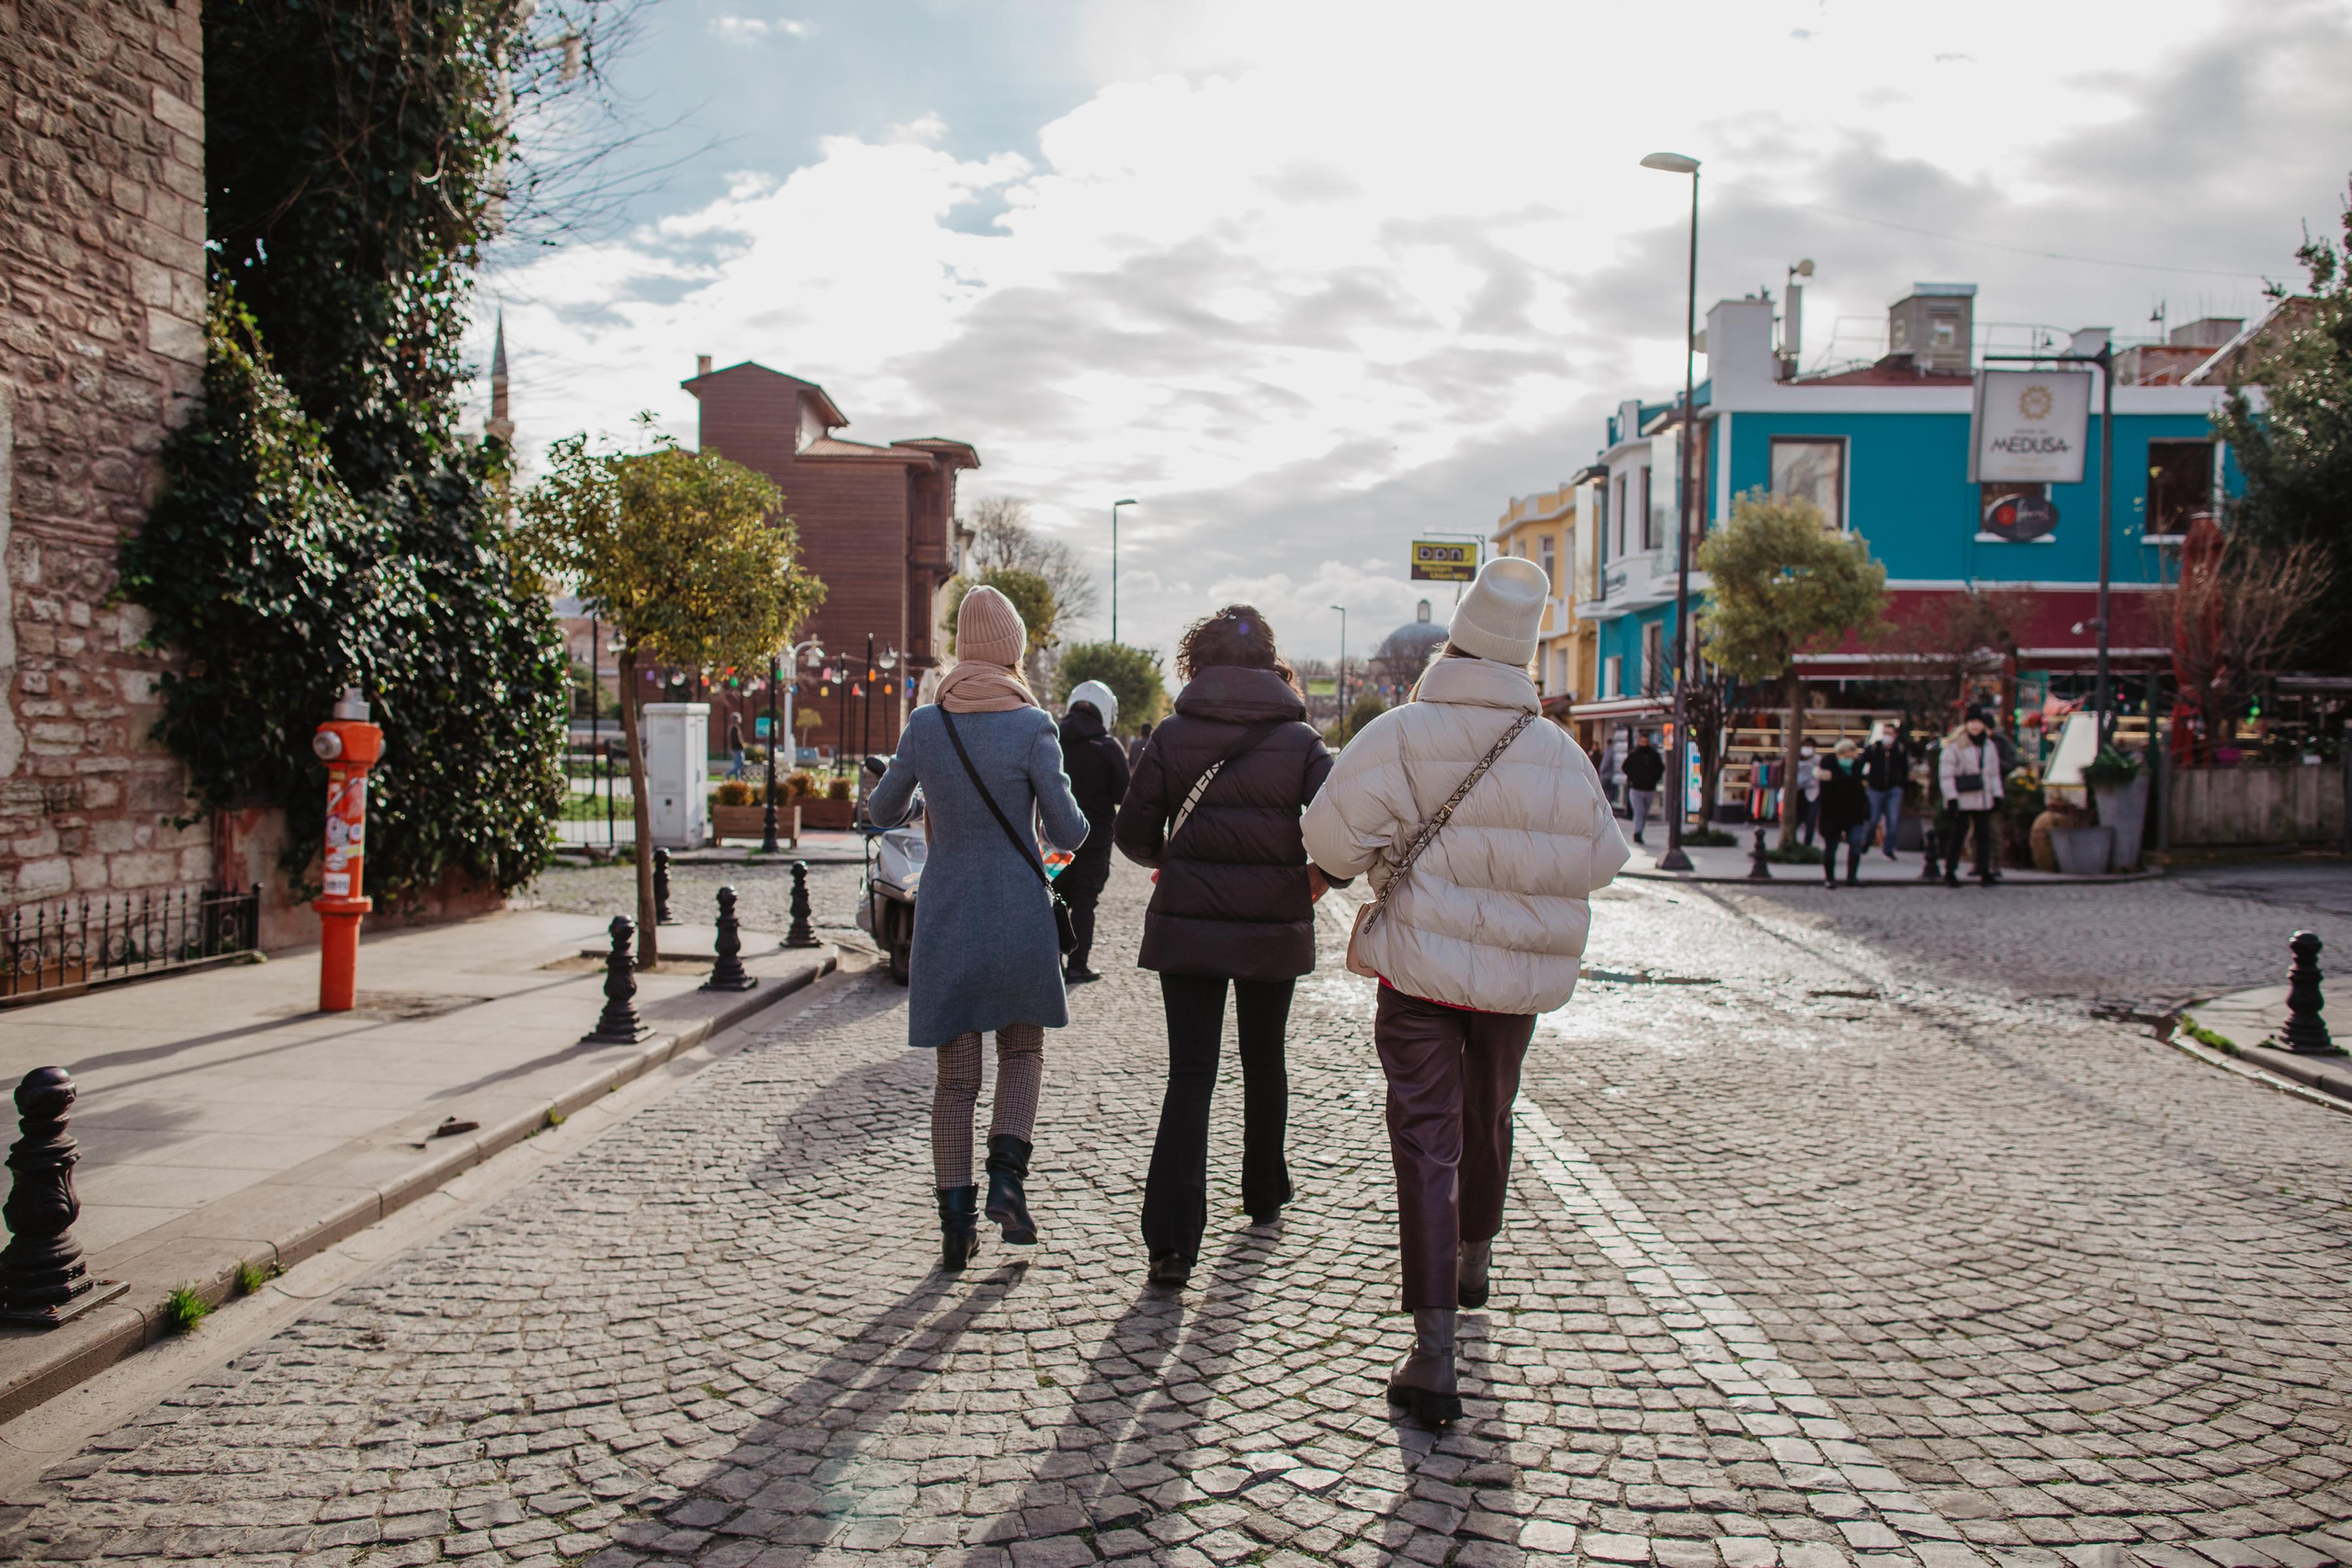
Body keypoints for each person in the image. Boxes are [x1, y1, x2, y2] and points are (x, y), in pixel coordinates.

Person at [1303, 558, 1629, 1428]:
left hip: (1419, 971)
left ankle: (1434, 1349)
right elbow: (1602, 859)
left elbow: (1331, 845)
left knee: (1426, 1136)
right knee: (1490, 1113)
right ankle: (1474, 1263)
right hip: (1516, 979)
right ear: (1525, 655)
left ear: (1456, 640)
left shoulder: (1400, 734)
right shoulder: (1559, 753)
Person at [1114, 606, 1340, 1290]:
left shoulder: (1172, 733)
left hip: (1189, 923)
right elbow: (1345, 823)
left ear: (1200, 661)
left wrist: (1171, 860)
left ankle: (1172, 1243)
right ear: (1270, 661)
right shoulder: (1299, 739)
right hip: (1273, 919)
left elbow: (1132, 833)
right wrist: (1321, 877)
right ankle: (1264, 1188)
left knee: (1191, 1073)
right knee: (1265, 1058)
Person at [865, 587, 1091, 1269]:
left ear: (963, 648)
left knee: (955, 1080)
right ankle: (1006, 1178)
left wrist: (923, 793)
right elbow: (1068, 831)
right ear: (1013, 648)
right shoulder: (1034, 726)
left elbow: (881, 810)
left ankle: (954, 1228)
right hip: (1019, 916)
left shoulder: (925, 725)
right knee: (1022, 1053)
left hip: (947, 919)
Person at [1057, 679, 1130, 985]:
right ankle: (1078, 965)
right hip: (1095, 838)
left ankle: (1051, 963)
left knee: (1054, 898)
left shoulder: (1051, 738)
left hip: (1055, 837)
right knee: (1085, 901)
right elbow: (1123, 793)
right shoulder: (1108, 746)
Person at [1938, 706, 2006, 887]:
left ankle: (1984, 871)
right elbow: (1946, 774)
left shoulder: (1989, 746)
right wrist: (1951, 797)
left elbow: (1993, 774)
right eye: (1972, 722)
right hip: (1963, 796)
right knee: (1958, 835)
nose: (1976, 726)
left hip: (1983, 797)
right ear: (1966, 724)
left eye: (1979, 723)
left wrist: (1997, 795)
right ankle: (1950, 872)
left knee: (1984, 836)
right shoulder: (1956, 746)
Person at [1816, 739, 1871, 886]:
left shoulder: (1857, 766)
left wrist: (1865, 810)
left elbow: (1861, 790)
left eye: (1851, 755)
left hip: (1854, 813)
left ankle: (1852, 877)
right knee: (1831, 846)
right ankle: (1829, 878)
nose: (1849, 759)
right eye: (1846, 755)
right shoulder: (1828, 765)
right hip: (1833, 814)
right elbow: (1826, 793)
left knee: (1855, 842)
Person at [1861, 721, 1908, 860]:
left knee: (1892, 820)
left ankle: (1888, 850)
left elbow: (1905, 769)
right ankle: (1866, 842)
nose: (1887, 736)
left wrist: (1901, 785)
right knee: (1873, 819)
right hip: (1875, 788)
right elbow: (1861, 763)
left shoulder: (1900, 750)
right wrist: (1866, 780)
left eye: (1890, 733)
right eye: (1885, 733)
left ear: (1895, 735)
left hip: (1893, 789)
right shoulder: (1874, 748)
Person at [1621, 730, 1666, 845]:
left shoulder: (1654, 755)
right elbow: (1625, 767)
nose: (1644, 743)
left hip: (1650, 789)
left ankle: (1640, 831)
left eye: (1646, 741)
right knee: (1639, 812)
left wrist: (1654, 778)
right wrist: (1633, 777)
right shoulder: (1634, 754)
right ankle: (1637, 833)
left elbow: (1661, 768)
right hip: (1636, 789)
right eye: (1642, 741)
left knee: (1644, 813)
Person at [1793, 739, 1822, 845]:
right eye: (1805, 746)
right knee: (1796, 819)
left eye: (1810, 746)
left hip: (1813, 792)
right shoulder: (1795, 759)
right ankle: (1791, 841)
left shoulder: (1818, 760)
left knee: (1811, 819)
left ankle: (1807, 843)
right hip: (1798, 792)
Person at [726, 709, 746, 780]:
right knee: (740, 764)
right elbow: (737, 739)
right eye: (739, 718)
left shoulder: (733, 727)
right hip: (738, 748)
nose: (740, 720)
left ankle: (737, 780)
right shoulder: (735, 728)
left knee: (736, 764)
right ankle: (729, 773)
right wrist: (742, 745)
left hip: (735, 749)